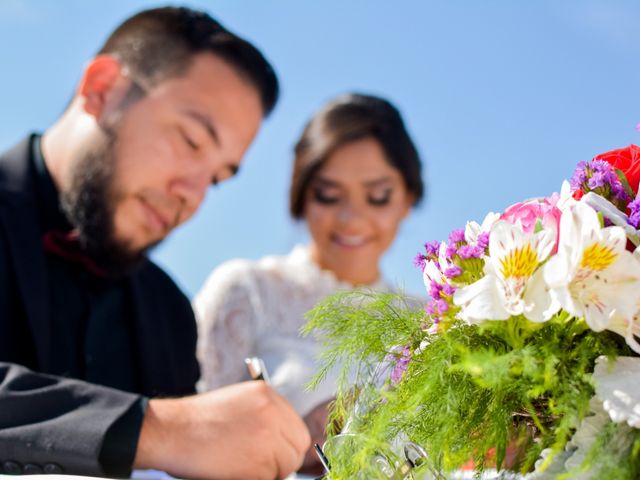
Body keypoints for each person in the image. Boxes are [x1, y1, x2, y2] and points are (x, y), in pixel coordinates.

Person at [0, 6, 310, 480]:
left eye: (217, 179)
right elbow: (176, 436)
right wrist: (157, 430)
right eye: (190, 141)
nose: (193, 195)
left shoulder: (170, 314)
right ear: (103, 89)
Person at [194, 93, 424, 471]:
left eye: (378, 197)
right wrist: (301, 442)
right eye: (329, 195)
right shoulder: (249, 291)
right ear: (300, 197)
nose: (352, 218)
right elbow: (192, 444)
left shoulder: (429, 320)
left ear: (408, 198)